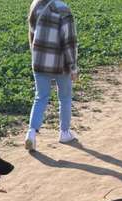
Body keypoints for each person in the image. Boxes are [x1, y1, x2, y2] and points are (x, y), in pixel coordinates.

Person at [25, 0, 79, 151]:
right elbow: (70, 41)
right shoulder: (63, 9)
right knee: (65, 97)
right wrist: (73, 67)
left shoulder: (35, 5)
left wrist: (35, 56)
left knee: (40, 97)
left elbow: (31, 35)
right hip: (60, 63)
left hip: (39, 61)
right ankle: (64, 132)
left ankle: (31, 133)